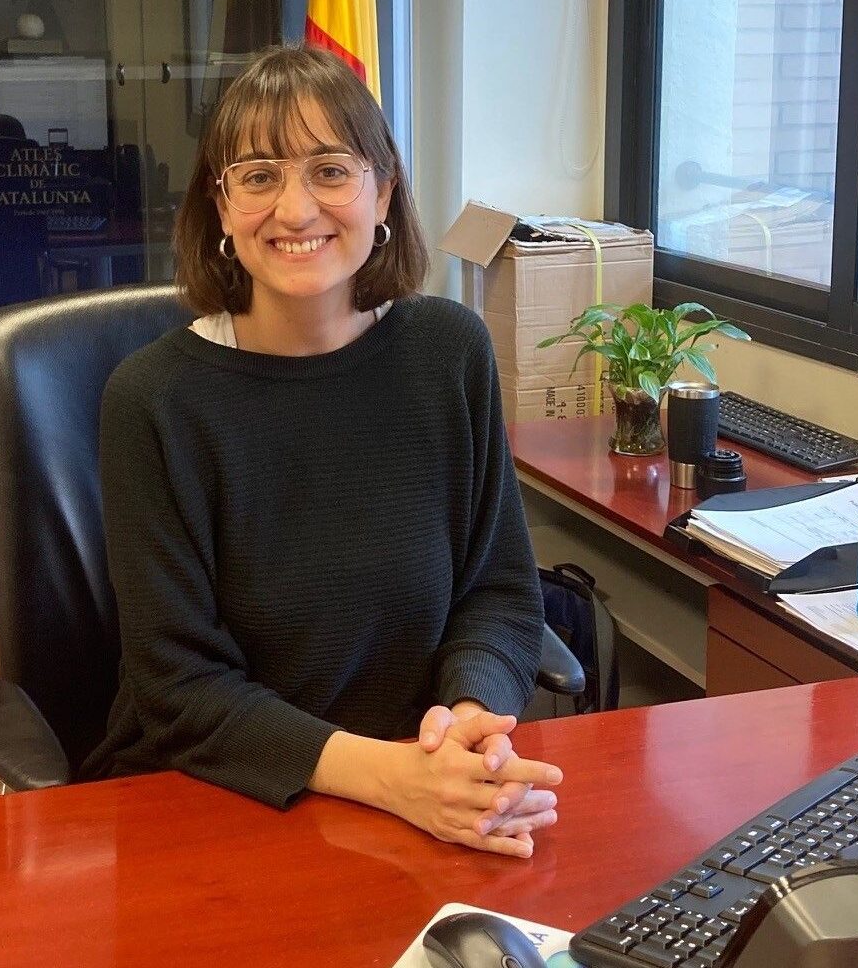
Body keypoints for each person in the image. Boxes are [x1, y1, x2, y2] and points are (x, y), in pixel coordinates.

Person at [81, 44, 562, 858]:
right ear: (222, 206)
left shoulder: (448, 353)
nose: (296, 210)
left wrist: (471, 718)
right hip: (210, 804)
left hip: (419, 793)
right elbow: (181, 689)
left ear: (384, 190)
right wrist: (394, 779)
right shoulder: (155, 401)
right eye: (260, 175)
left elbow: (499, 593)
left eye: (331, 170)